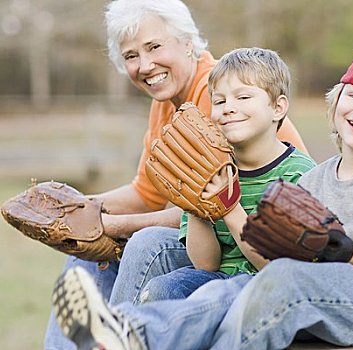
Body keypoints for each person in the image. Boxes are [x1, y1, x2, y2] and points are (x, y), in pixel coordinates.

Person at [53, 49, 353, 350]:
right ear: (337, 101)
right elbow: (277, 262)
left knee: (281, 280)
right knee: (235, 287)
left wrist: (350, 254)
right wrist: (207, 207)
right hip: (317, 289)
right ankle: (125, 330)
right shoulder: (316, 180)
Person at [44, 0, 309, 349]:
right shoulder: (164, 104)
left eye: (154, 46)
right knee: (87, 252)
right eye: (131, 56)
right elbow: (146, 194)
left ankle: (121, 333)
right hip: (218, 243)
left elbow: (208, 201)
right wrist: (78, 208)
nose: (145, 65)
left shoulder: (217, 97)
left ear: (187, 42)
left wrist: (107, 226)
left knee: (144, 242)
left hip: (257, 245)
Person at [116, 47, 316, 305]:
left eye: (243, 97)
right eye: (219, 101)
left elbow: (277, 267)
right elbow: (206, 264)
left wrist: (229, 206)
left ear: (278, 108)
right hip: (220, 280)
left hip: (271, 290)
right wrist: (197, 206)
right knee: (162, 289)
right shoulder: (210, 168)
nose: (229, 108)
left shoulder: (298, 174)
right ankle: (119, 335)